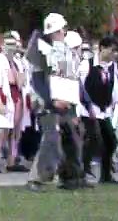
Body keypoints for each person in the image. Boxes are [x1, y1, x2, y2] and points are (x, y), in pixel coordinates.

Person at [27, 13, 86, 191]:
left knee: (73, 139)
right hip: (48, 103)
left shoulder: (68, 49)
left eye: (59, 31)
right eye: (54, 32)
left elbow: (72, 79)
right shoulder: (41, 52)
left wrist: (74, 107)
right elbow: (38, 82)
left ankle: (71, 178)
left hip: (67, 103)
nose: (57, 35)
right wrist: (52, 102)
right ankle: (37, 179)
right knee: (51, 139)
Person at [0, 32, 31, 172]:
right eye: (8, 44)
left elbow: (23, 80)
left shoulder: (18, 62)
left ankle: (12, 161)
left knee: (16, 132)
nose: (12, 47)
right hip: (6, 98)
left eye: (14, 44)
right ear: (2, 45)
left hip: (18, 98)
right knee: (1, 132)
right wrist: (1, 99)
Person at [83, 36, 118, 184]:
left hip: (104, 110)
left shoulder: (113, 67)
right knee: (92, 140)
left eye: (116, 51)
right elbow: (82, 87)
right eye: (112, 50)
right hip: (88, 109)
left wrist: (112, 104)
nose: (114, 54)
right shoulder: (87, 65)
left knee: (110, 140)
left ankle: (105, 175)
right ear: (101, 48)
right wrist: (88, 106)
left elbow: (115, 87)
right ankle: (83, 172)